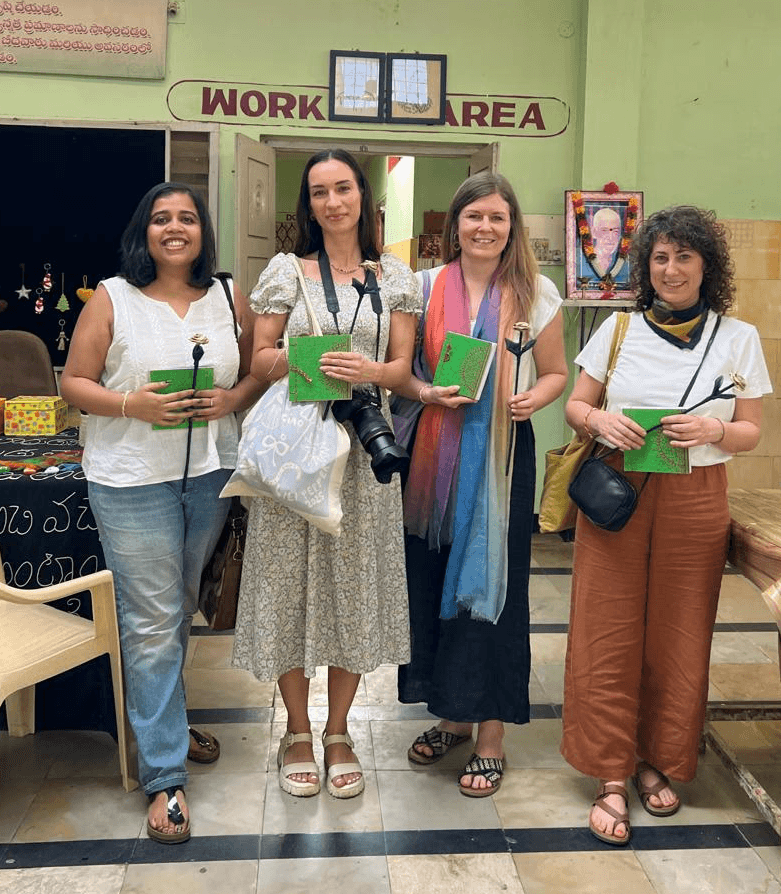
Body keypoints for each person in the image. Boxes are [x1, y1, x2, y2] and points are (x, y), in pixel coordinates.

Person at [560, 205, 772, 845]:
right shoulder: (617, 329)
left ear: (707, 265)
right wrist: (598, 423)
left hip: (698, 496)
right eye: (660, 257)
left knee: (681, 634)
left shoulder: (739, 337)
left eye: (684, 256)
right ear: (643, 266)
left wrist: (716, 430)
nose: (671, 269)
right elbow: (575, 404)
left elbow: (752, 431)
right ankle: (609, 773)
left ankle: (658, 761)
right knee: (607, 628)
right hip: (620, 491)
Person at [61, 182, 261, 844]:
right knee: (151, 624)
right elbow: (73, 384)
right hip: (129, 481)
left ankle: (164, 723)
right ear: (143, 231)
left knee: (174, 613)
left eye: (187, 218)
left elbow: (259, 366)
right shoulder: (113, 297)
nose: (174, 228)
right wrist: (131, 406)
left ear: (203, 231)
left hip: (206, 477)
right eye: (160, 218)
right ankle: (165, 778)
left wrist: (233, 398)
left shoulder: (231, 297)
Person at [231, 149, 420, 799]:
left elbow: (402, 371)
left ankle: (338, 730)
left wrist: (363, 373)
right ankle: (294, 730)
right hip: (297, 452)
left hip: (365, 457)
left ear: (363, 199)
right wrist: (308, 359)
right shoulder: (286, 271)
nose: (332, 202)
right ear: (307, 205)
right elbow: (259, 359)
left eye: (343, 189)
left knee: (350, 590)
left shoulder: (395, 277)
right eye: (319, 192)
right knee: (289, 586)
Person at [394, 171, 567, 796]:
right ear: (455, 226)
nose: (485, 228)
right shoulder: (422, 286)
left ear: (511, 225)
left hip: (500, 460)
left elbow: (556, 374)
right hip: (432, 467)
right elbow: (405, 373)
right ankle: (453, 715)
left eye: (497, 217)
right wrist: (423, 391)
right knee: (437, 582)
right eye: (474, 217)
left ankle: (490, 734)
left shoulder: (535, 291)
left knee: (494, 589)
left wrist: (531, 399)